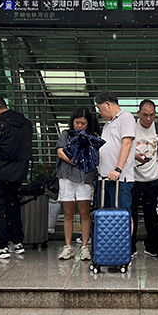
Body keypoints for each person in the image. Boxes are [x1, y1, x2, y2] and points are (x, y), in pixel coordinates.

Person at [0, 95, 33, 259]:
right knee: (13, 205)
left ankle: (2, 245)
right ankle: (17, 243)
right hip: (18, 172)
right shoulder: (25, 123)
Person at [55, 108, 99, 261]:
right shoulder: (65, 134)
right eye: (77, 122)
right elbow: (60, 152)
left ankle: (85, 246)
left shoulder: (92, 137)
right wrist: (75, 161)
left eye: (83, 123)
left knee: (85, 213)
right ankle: (68, 246)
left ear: (88, 124)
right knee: (68, 213)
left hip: (85, 177)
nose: (79, 125)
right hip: (66, 176)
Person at [131, 99, 158, 258]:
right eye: (145, 115)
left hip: (153, 179)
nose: (148, 118)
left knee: (152, 214)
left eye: (151, 115)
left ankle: (152, 247)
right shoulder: (131, 128)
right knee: (130, 214)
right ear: (138, 113)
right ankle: (130, 247)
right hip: (133, 177)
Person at [95, 92, 136, 212]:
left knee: (121, 215)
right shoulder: (107, 124)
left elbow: (127, 143)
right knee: (106, 216)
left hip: (119, 178)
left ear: (107, 104)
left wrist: (118, 169)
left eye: (99, 108)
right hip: (104, 177)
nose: (99, 112)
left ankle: (128, 232)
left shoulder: (126, 117)